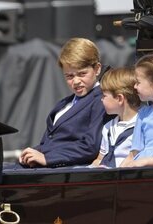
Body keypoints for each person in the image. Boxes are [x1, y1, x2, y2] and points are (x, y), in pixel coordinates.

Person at [19, 38, 111, 168]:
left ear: (97, 69)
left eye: (82, 74)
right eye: (69, 76)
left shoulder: (102, 100)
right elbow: (52, 142)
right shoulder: (64, 103)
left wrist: (48, 158)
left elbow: (90, 146)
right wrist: (33, 152)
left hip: (68, 170)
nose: (76, 81)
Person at [91, 67, 141, 168]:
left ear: (119, 98)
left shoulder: (142, 126)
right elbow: (100, 158)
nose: (101, 100)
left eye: (104, 96)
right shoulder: (108, 127)